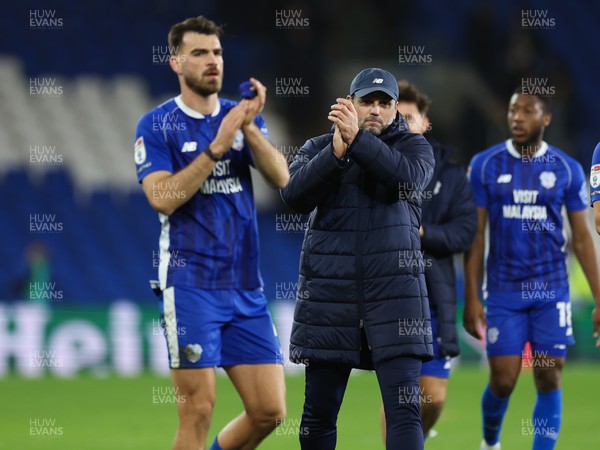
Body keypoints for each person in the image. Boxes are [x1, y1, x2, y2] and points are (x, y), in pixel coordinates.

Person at [134, 16, 289, 450]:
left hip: (244, 285)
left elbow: (281, 177)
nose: (212, 61)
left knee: (269, 411)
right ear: (176, 63)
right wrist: (216, 148)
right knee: (199, 410)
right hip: (189, 285)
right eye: (199, 53)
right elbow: (162, 197)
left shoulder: (239, 118)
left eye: (217, 52)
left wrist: (249, 128)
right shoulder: (156, 124)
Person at [281, 68, 435, 450]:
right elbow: (293, 196)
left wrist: (358, 140)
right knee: (318, 415)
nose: (376, 110)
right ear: (349, 103)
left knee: (404, 412)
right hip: (331, 300)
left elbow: (404, 181)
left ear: (396, 109)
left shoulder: (414, 147)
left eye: (385, 103)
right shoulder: (317, 148)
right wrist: (336, 152)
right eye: (368, 101)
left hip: (396, 300)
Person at [464, 88, 600, 450]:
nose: (517, 118)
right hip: (504, 291)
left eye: (527, 111)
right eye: (512, 111)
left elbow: (583, 239)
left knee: (549, 373)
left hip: (551, 289)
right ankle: (490, 441)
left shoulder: (567, 170)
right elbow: (475, 235)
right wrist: (471, 296)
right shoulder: (484, 165)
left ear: (546, 118)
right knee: (504, 379)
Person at [379, 80, 477, 443]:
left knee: (432, 397)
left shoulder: (451, 175)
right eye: (397, 116)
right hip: (387, 295)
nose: (403, 123)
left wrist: (421, 234)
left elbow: (465, 233)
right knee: (401, 396)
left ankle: (418, 432)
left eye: (410, 116)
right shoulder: (374, 164)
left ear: (425, 122)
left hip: (434, 298)